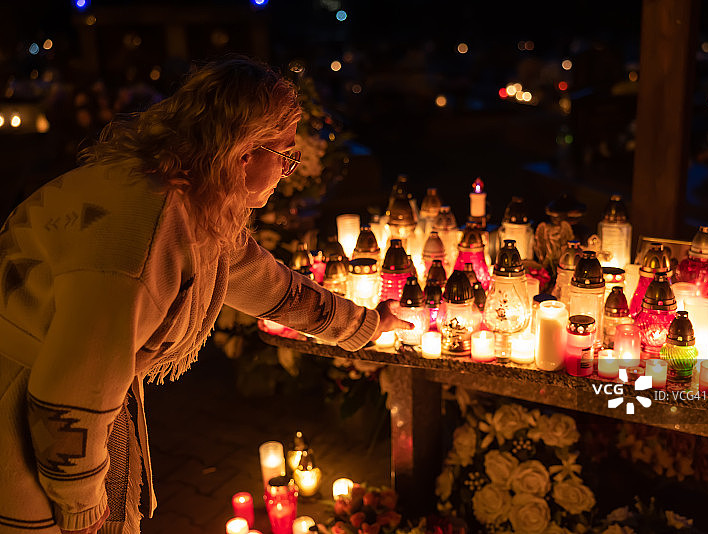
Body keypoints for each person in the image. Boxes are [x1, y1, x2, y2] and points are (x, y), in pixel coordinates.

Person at [0, 57, 411, 533]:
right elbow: (71, 392)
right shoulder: (144, 230)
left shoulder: (187, 193)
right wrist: (80, 505)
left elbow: (263, 281)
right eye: (284, 155)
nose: (288, 171)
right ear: (242, 151)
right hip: (20, 417)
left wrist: (365, 324)